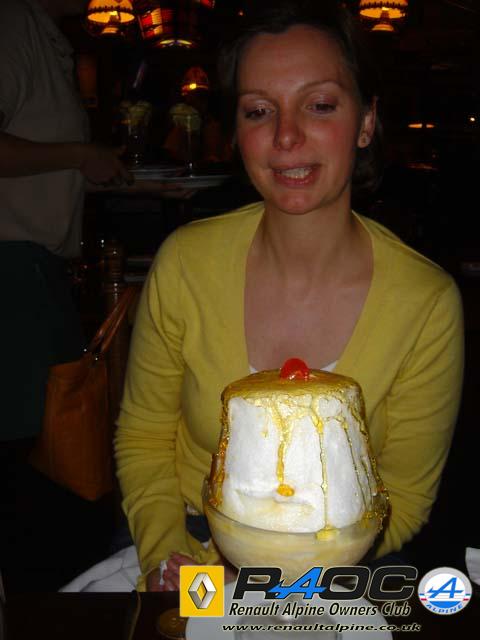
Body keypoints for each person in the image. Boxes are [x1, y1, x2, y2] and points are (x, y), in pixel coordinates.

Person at [64, 0, 463, 593]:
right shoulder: (186, 263)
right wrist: (175, 561)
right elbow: (145, 437)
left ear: (366, 122)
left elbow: (402, 496)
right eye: (259, 110)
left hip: (341, 562)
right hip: (184, 539)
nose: (286, 136)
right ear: (237, 133)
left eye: (320, 105)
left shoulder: (427, 303)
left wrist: (279, 582)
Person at [0, 0, 131, 581]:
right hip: (11, 271)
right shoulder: (11, 24)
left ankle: (52, 596)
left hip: (34, 269)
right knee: (39, 457)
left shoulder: (43, 33)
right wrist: (80, 155)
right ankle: (44, 602)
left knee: (52, 452)